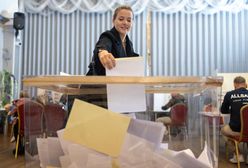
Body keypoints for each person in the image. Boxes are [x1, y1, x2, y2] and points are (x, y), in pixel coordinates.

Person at [86, 5, 139, 76]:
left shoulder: (129, 43)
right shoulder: (108, 35)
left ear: (132, 23)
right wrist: (102, 52)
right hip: (98, 83)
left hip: (118, 83)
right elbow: (103, 45)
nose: (125, 23)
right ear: (113, 21)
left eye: (129, 20)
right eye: (121, 19)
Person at [220, 76, 248, 164]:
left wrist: (233, 110)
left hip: (237, 130)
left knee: (223, 130)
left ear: (235, 84)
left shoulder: (229, 94)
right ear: (245, 84)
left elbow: (223, 110)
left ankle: (238, 155)